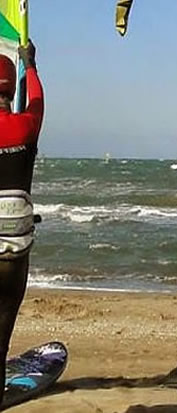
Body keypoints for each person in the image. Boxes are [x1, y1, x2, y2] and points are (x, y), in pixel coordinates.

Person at [0, 41, 44, 406]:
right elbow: (38, 103)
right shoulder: (26, 126)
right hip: (16, 246)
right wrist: (31, 65)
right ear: (10, 90)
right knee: (3, 316)